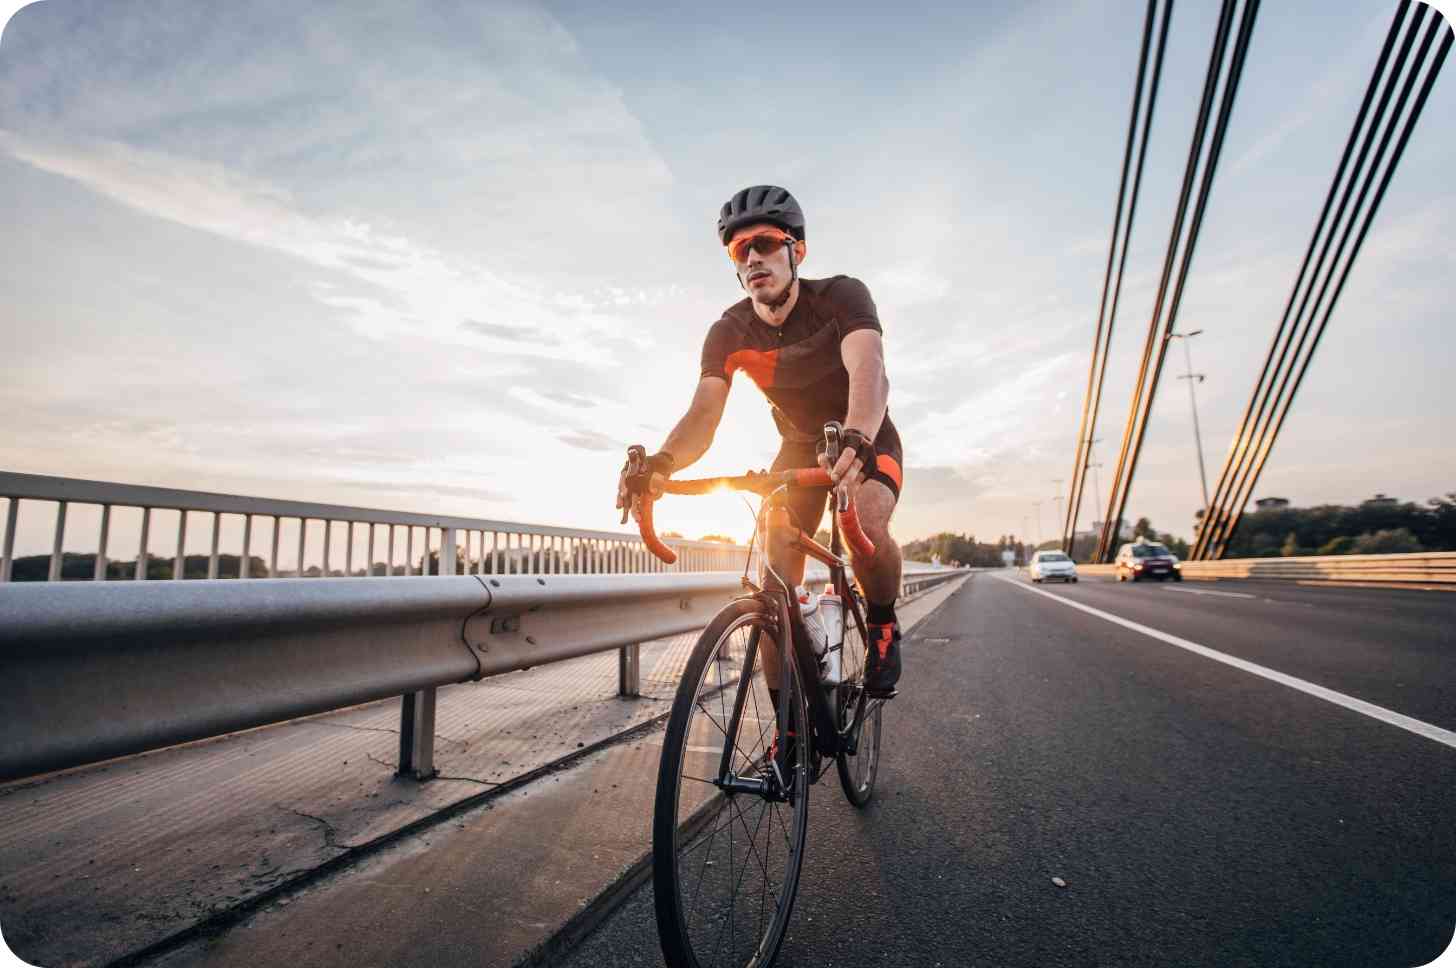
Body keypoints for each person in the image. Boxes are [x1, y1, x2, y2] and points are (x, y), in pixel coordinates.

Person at [616, 185, 906, 712]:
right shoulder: (729, 332)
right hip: (798, 447)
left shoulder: (841, 297)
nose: (753, 257)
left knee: (865, 519)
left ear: (797, 250)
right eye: (739, 250)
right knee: (774, 581)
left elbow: (871, 372)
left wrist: (859, 437)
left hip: (866, 433)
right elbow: (703, 418)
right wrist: (660, 465)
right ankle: (788, 731)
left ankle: (883, 621)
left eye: (766, 242)